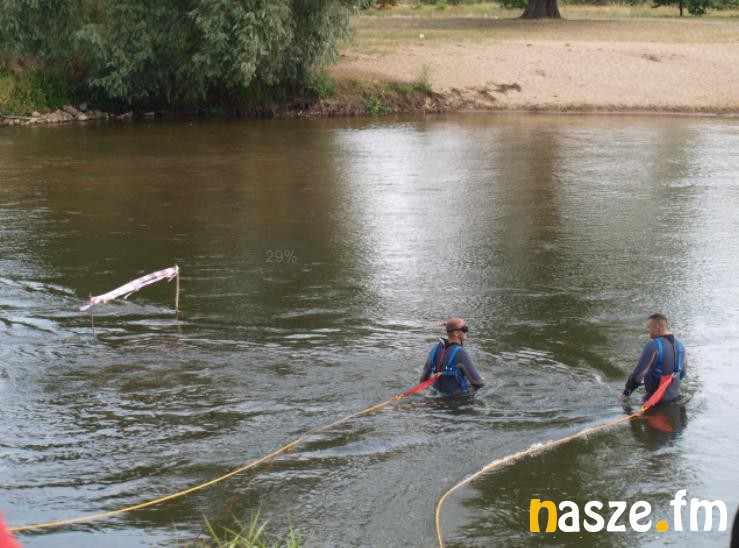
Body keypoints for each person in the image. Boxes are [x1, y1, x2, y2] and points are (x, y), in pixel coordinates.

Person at [619, 313, 687, 405]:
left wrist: (626, 393)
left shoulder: (653, 346)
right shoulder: (681, 346)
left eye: (649, 327)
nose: (648, 330)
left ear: (657, 327)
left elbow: (638, 374)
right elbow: (682, 373)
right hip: (676, 397)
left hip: (655, 401)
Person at [420, 317, 484, 395]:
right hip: (453, 399)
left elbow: (423, 378)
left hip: (434, 394)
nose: (466, 331)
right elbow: (477, 383)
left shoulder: (436, 348)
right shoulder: (461, 353)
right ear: (456, 333)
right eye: (464, 329)